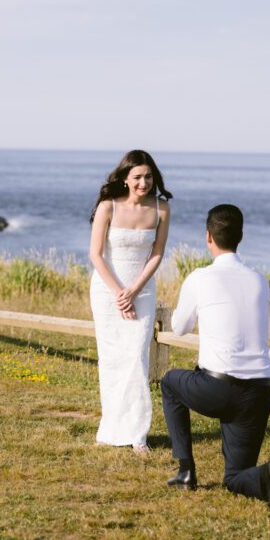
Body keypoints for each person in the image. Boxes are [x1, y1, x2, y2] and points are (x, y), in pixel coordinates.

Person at [160, 204, 270, 509]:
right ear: (240, 236)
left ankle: (185, 471)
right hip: (258, 394)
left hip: (216, 388)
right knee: (234, 477)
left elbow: (179, 327)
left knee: (169, 383)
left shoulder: (200, 277)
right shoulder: (260, 280)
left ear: (208, 236)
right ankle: (265, 477)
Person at [89, 150, 172, 453]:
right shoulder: (107, 207)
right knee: (112, 359)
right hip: (107, 290)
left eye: (148, 176)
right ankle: (111, 428)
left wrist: (134, 290)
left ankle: (138, 434)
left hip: (143, 290)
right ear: (125, 178)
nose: (144, 182)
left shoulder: (162, 209)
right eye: (137, 176)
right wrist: (118, 293)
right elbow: (96, 254)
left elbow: (157, 254)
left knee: (137, 357)